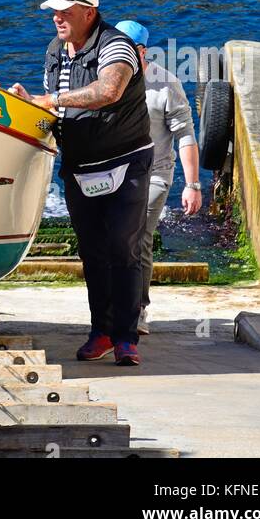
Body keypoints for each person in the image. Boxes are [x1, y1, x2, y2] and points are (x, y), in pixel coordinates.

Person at [11, 0, 152, 367]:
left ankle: (126, 336)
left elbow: (109, 91)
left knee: (123, 247)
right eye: (54, 11)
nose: (56, 17)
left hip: (126, 163)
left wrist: (51, 99)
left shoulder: (116, 45)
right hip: (80, 168)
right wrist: (27, 106)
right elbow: (53, 108)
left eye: (64, 12)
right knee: (92, 252)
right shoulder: (56, 50)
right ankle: (101, 331)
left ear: (89, 13)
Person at [115, 21, 202, 335]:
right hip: (113, 174)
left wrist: (192, 185)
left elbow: (186, 136)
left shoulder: (166, 84)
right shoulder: (105, 78)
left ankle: (137, 309)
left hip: (154, 174)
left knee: (138, 238)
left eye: (128, 49)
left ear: (143, 52)